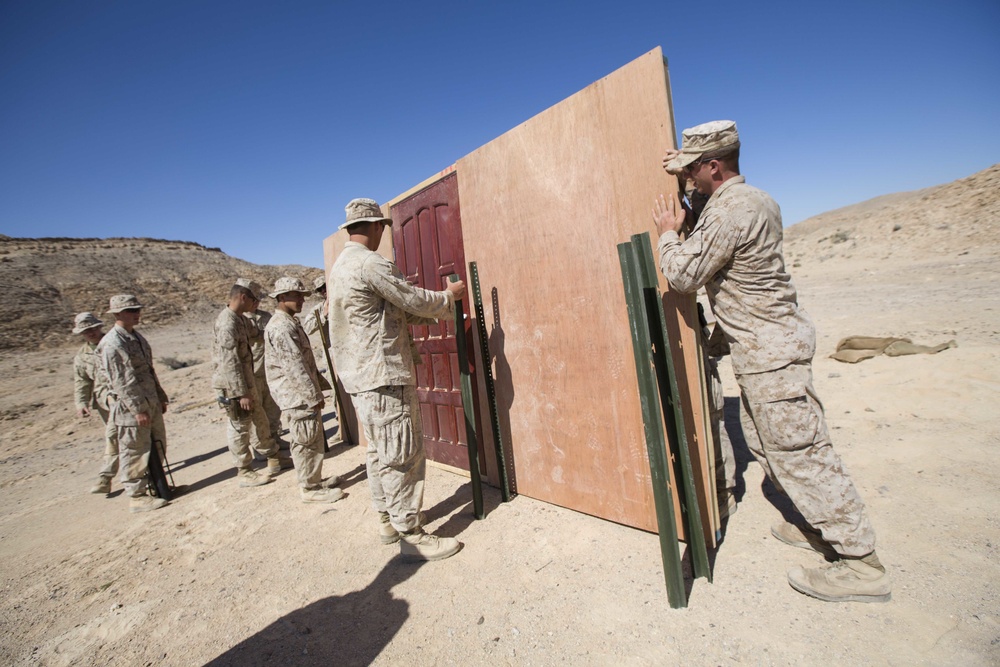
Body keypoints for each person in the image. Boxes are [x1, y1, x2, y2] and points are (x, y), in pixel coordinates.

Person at [653, 120, 890, 603]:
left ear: (713, 166)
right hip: (767, 347)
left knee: (804, 454)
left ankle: (862, 564)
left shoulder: (730, 212)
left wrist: (667, 234)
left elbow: (683, 274)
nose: (688, 182)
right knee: (773, 447)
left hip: (771, 354)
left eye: (692, 172)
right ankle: (822, 531)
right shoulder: (756, 199)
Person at [328, 197, 465, 561]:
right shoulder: (369, 263)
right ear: (375, 227)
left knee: (381, 453)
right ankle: (411, 535)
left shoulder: (341, 266)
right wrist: (447, 298)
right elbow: (409, 298)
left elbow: (392, 311)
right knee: (403, 453)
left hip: (362, 379)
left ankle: (388, 521)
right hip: (383, 376)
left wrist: (434, 315)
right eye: (382, 228)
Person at [264, 277, 344, 504]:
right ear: (281, 298)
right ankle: (309, 489)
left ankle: (314, 480)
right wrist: (313, 396)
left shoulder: (290, 322)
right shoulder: (281, 327)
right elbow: (295, 367)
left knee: (311, 438)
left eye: (302, 295)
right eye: (296, 296)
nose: (301, 300)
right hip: (297, 395)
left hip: (299, 394)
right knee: (305, 440)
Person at [212, 279, 290, 487]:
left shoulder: (240, 320)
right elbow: (229, 362)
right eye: (254, 300)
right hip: (234, 387)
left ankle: (274, 458)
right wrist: (241, 393)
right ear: (243, 297)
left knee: (261, 420)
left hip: (247, 381)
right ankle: (244, 471)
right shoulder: (227, 323)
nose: (257, 305)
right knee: (240, 427)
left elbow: (257, 335)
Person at [96, 295, 170, 513]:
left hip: (150, 401)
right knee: (135, 451)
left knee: (156, 445)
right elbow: (122, 381)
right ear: (117, 314)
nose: (136, 313)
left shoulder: (135, 337)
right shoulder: (112, 343)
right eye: (130, 310)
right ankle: (137, 495)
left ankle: (158, 487)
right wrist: (137, 409)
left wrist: (160, 395)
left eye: (137, 309)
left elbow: (148, 370)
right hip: (132, 408)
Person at [72, 312, 120, 495]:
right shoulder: (82, 356)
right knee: (116, 435)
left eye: (92, 329)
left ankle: (105, 477)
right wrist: (81, 402)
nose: (90, 333)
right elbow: (82, 381)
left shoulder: (115, 342)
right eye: (85, 331)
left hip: (125, 396)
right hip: (104, 401)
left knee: (115, 435)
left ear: (99, 327)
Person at [244, 284, 285, 448]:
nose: (256, 303)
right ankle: (261, 447)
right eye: (254, 299)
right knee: (257, 414)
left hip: (268, 371)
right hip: (252, 373)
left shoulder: (266, 317)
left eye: (258, 300)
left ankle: (275, 438)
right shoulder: (240, 320)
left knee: (273, 409)